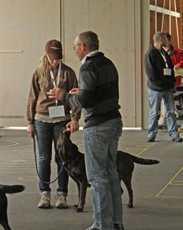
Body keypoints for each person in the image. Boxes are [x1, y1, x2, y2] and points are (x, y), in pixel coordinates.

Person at [49, 31, 125, 230]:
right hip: (114, 121)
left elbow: (85, 101)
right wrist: (80, 92)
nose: (74, 51)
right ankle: (116, 221)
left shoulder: (87, 67)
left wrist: (64, 95)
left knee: (97, 177)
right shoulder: (109, 63)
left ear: (83, 46)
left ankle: (101, 225)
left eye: (75, 47)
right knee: (111, 174)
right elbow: (96, 92)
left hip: (98, 126)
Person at [26, 39, 81, 209]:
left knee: (62, 158)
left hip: (61, 121)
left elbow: (75, 98)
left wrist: (75, 118)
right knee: (44, 158)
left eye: (57, 58)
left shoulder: (68, 73)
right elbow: (32, 97)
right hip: (41, 119)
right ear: (46, 55)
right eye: (52, 57)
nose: (54, 61)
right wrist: (30, 121)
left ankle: (62, 194)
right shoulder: (38, 73)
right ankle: (45, 194)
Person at [144, 31, 183, 143]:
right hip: (156, 89)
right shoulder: (150, 54)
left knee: (171, 111)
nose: (167, 41)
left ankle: (174, 134)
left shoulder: (163, 52)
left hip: (167, 88)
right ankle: (151, 134)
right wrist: (162, 84)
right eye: (165, 39)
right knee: (154, 112)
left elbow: (169, 67)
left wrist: (171, 82)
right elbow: (151, 74)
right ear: (160, 40)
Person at [157, 32, 183, 129]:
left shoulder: (177, 52)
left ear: (169, 40)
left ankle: (164, 120)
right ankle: (164, 119)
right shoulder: (158, 52)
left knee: (167, 99)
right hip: (162, 80)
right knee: (165, 99)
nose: (164, 42)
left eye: (166, 40)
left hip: (173, 79)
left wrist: (179, 65)